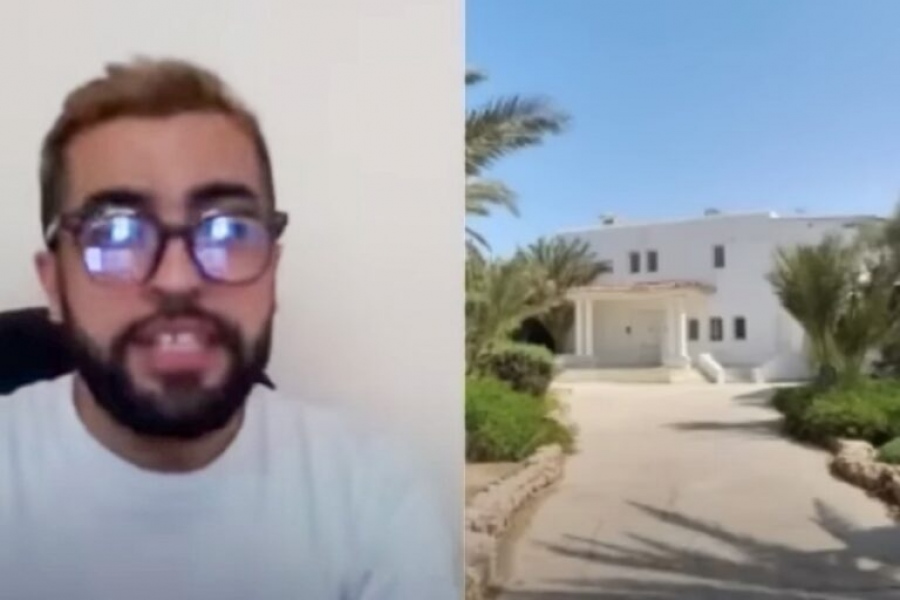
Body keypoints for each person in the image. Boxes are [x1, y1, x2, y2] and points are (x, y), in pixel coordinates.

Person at [0, 57, 460, 599]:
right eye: (116, 235)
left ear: (273, 272)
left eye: (230, 231)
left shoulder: (373, 493)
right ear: (54, 285)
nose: (177, 280)